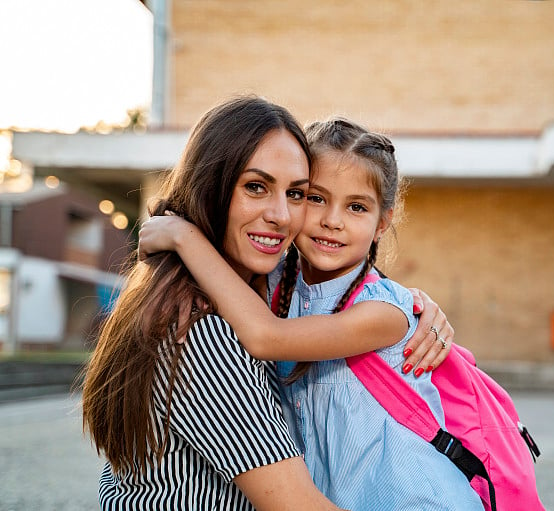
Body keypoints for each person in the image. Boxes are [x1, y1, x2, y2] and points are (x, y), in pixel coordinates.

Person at [82, 96, 452, 511]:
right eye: (256, 186)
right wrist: (186, 236)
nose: (281, 215)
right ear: (211, 186)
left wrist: (409, 304)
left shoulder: (246, 294)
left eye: (295, 193)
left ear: (381, 222)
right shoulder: (204, 332)